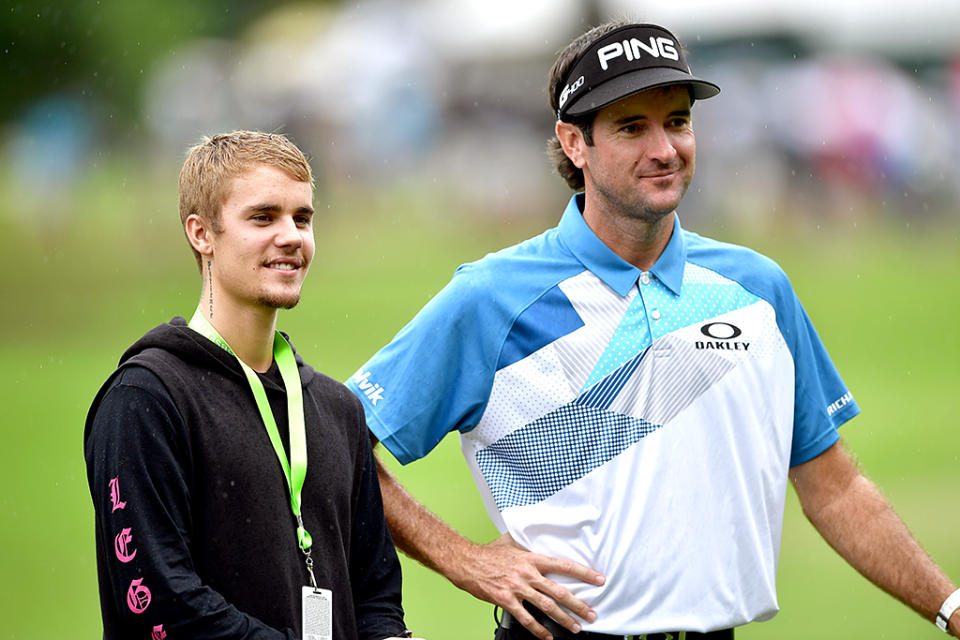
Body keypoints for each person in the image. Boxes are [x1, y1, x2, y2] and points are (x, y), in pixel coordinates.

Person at [344, 21, 960, 640]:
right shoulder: (491, 299)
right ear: (574, 142)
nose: (665, 148)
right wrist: (463, 560)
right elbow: (338, 446)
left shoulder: (758, 289)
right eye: (632, 127)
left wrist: (950, 607)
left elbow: (836, 489)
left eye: (678, 121)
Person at [84, 131, 416, 640]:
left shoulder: (338, 410)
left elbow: (376, 597)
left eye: (302, 218)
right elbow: (158, 603)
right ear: (202, 234)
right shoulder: (146, 399)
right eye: (264, 217)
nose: (292, 237)